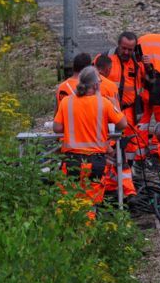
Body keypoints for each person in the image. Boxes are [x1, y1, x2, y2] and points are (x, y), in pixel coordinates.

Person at [53, 66, 127, 205]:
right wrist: (115, 105)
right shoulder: (104, 103)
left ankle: (71, 225)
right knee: (90, 204)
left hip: (71, 161)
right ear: (95, 85)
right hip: (95, 161)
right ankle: (88, 226)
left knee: (68, 202)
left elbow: (57, 128)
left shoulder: (67, 101)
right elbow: (123, 124)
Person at [95, 32, 147, 162]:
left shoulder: (137, 62)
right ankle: (107, 174)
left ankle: (126, 172)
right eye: (123, 48)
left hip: (129, 111)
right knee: (108, 142)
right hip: (108, 110)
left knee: (129, 145)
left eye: (130, 49)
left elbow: (150, 82)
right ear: (118, 44)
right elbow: (89, 78)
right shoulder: (105, 58)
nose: (126, 52)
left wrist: (147, 66)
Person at [95, 54, 137, 199]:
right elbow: (116, 115)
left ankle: (106, 191)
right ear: (108, 69)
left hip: (90, 136)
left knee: (102, 167)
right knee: (120, 164)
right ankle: (128, 192)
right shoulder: (109, 86)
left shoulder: (80, 85)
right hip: (108, 134)